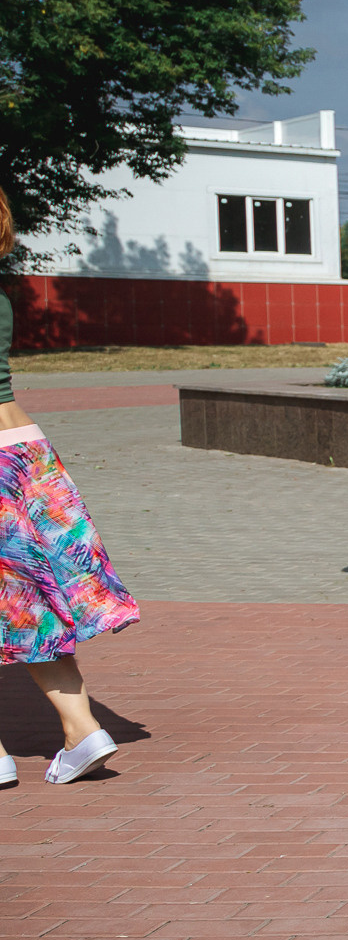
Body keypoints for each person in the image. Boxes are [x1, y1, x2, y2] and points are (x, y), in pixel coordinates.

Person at [0, 193, 140, 787]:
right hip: (25, 450)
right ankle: (83, 729)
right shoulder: (2, 296)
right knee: (30, 601)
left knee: (18, 602)